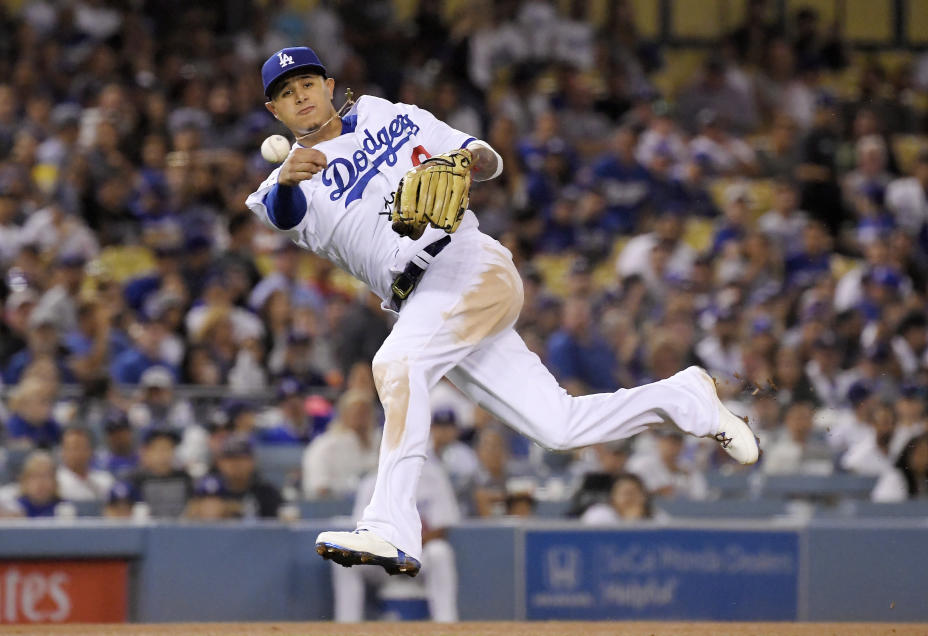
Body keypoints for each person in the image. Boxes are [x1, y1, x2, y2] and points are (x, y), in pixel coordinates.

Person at [245, 47, 758, 577]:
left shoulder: (391, 115)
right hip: (423, 302)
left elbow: (487, 159)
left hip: (465, 263)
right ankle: (684, 398)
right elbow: (284, 217)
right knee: (557, 426)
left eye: (306, 82)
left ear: (329, 85)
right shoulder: (283, 185)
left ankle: (391, 525)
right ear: (274, 113)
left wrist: (463, 164)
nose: (299, 95)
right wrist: (287, 179)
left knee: (396, 366)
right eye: (286, 92)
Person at [332, 457, 460, 623]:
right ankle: (347, 624)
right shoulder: (372, 482)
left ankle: (446, 622)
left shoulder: (433, 479)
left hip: (419, 554)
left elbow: (441, 528)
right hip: (383, 556)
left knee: (440, 552)